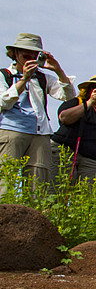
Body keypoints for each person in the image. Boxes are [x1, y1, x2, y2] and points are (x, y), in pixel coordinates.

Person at [0, 33, 76, 194]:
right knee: (6, 180)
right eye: (26, 54)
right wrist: (23, 79)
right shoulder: (4, 75)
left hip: (40, 133)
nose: (30, 58)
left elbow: (68, 96)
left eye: (35, 54)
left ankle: (33, 216)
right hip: (10, 131)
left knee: (38, 183)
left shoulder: (42, 78)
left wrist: (58, 71)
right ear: (15, 54)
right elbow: (4, 102)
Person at [50, 74, 96, 189]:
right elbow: (64, 118)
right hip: (66, 151)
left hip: (93, 158)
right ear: (89, 90)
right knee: (57, 189)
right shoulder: (76, 102)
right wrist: (89, 103)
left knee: (87, 196)